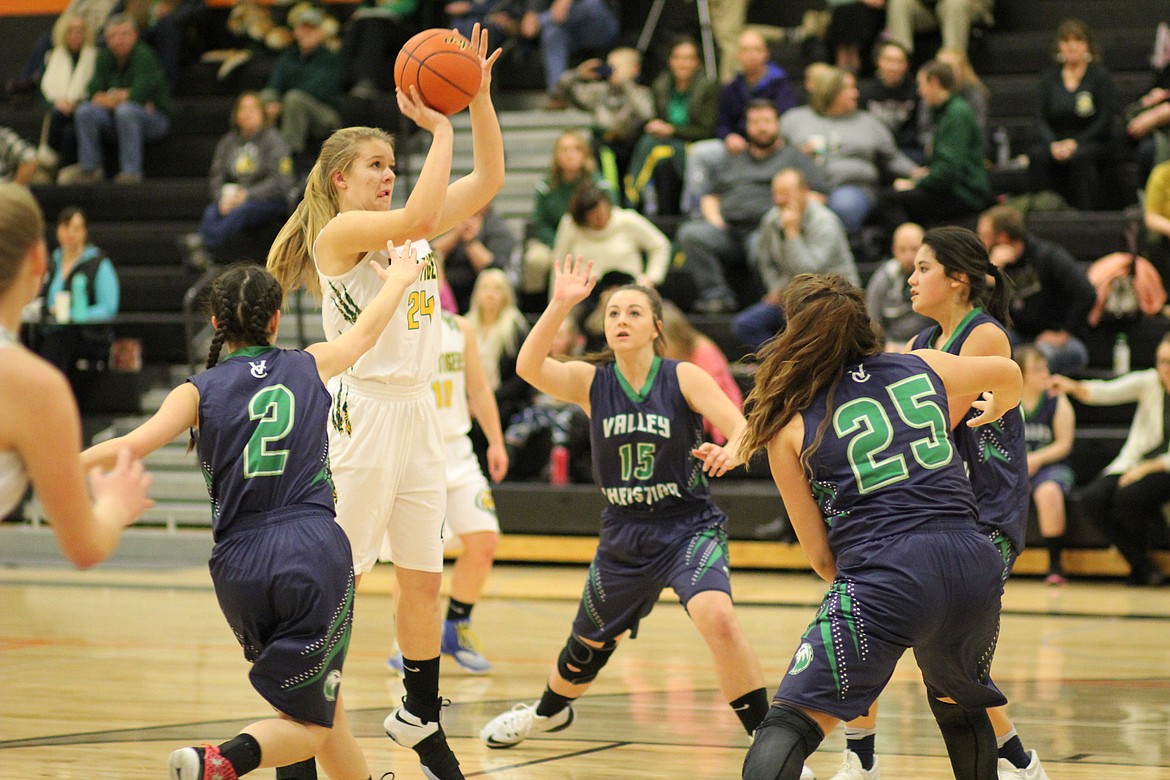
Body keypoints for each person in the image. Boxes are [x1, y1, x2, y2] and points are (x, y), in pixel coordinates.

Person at [265, 25, 503, 780]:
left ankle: (419, 716)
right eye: (375, 165)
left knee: (424, 577)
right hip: (360, 415)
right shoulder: (344, 235)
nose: (387, 176)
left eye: (391, 166)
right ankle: (299, 717)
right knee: (344, 577)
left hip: (419, 417)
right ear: (339, 178)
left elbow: (489, 181)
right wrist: (439, 127)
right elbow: (411, 218)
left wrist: (480, 104)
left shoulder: (414, 232)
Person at [82, 253, 423, 779]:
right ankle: (221, 761)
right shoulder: (308, 363)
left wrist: (52, 467)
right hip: (310, 551)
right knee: (311, 723)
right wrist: (399, 279)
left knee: (319, 709)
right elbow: (364, 335)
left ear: (215, 322)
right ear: (276, 317)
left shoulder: (196, 391)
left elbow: (130, 443)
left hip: (239, 564)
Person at [479, 256, 772, 758]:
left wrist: (732, 450)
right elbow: (528, 367)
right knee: (584, 650)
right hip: (624, 535)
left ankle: (770, 743)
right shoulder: (593, 383)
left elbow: (745, 427)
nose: (621, 321)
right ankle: (547, 712)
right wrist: (560, 302)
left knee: (717, 618)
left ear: (657, 327)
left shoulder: (683, 378)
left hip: (687, 526)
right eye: (613, 312)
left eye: (634, 312)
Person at [736, 272, 1022, 780]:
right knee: (958, 703)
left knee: (785, 726)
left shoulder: (791, 427)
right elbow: (1008, 372)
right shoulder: (923, 364)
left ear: (795, 338)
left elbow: (825, 561)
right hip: (975, 563)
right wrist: (1001, 404)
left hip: (888, 571)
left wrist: (886, 603)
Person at [832, 227, 1045, 780]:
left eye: (923, 268)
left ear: (959, 279)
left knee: (944, 653)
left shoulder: (984, 338)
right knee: (899, 633)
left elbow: (921, 425)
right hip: (935, 512)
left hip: (985, 516)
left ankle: (1015, 762)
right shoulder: (922, 342)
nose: (910, 277)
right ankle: (866, 756)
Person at [0, 182, 151, 568]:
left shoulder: (97, 264)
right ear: (38, 259)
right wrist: (116, 504)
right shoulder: (34, 387)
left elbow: (107, 307)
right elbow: (85, 546)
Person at [388, 308, 509, 674]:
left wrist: (496, 442)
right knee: (415, 558)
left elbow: (479, 387)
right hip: (414, 451)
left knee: (485, 539)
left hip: (458, 449)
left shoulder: (461, 327)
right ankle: (403, 639)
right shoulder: (392, 322)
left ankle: (456, 625)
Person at [675, 100, 827, 314]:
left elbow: (818, 195)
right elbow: (710, 196)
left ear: (777, 124)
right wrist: (716, 220)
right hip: (729, 231)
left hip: (768, 229)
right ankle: (717, 297)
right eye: (755, 122)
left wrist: (785, 215)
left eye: (766, 121)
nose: (761, 127)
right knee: (691, 234)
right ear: (746, 126)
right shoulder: (734, 159)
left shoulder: (794, 157)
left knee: (760, 245)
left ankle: (767, 303)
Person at [1051, 335, 1170, 588]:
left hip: (1163, 467)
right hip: (1135, 462)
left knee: (1129, 496)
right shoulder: (1151, 381)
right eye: (1161, 361)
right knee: (1092, 498)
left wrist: (1146, 469)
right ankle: (1141, 564)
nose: (1165, 369)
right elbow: (1107, 391)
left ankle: (1146, 562)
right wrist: (1072, 387)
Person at [732, 168, 858, 351]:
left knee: (808, 329)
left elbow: (809, 271)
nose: (780, 200)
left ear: (804, 192)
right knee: (746, 324)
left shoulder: (825, 222)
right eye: (776, 194)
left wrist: (792, 234)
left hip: (830, 297)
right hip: (790, 297)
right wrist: (775, 287)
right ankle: (782, 365)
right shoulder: (771, 220)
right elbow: (766, 261)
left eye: (786, 194)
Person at [779, 65, 917, 232]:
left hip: (853, 188)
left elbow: (893, 157)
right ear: (830, 91)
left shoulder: (869, 123)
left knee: (844, 204)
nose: (856, 93)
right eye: (849, 88)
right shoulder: (794, 120)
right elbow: (776, 154)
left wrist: (916, 172)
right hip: (804, 188)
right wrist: (798, 155)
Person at [682, 29, 799, 214]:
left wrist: (771, 138)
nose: (751, 55)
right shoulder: (732, 88)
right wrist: (728, 136)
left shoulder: (780, 84)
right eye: (745, 50)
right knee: (699, 153)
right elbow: (720, 123)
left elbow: (788, 120)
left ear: (765, 54)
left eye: (756, 50)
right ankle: (695, 213)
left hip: (771, 147)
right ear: (738, 55)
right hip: (739, 147)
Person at [977, 204, 1095, 376]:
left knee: (1037, 359)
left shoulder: (1047, 256)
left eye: (984, 236)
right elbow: (982, 316)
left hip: (1053, 338)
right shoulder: (993, 265)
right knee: (983, 348)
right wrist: (990, 279)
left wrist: (1064, 333)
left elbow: (1086, 292)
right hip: (1018, 335)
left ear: (1002, 238)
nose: (980, 242)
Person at [62, 13, 172, 185]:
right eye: (113, 36)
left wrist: (110, 98)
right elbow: (92, 93)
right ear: (106, 39)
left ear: (134, 35)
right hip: (116, 119)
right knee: (84, 111)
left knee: (126, 111)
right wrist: (119, 96)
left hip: (155, 119)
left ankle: (131, 173)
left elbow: (138, 94)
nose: (118, 40)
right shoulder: (104, 57)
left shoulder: (145, 56)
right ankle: (90, 170)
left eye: (123, 35)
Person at [881, 59, 989, 230]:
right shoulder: (947, 112)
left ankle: (909, 248)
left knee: (889, 199)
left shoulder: (956, 114)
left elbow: (948, 170)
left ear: (935, 82)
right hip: (956, 188)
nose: (920, 92)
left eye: (921, 85)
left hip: (964, 193)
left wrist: (918, 183)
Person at [189, 91, 294, 263]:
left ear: (262, 113)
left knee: (243, 211)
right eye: (243, 109)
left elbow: (282, 181)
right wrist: (222, 198)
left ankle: (205, 248)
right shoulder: (228, 142)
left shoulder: (274, 140)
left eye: (253, 109)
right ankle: (206, 250)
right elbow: (216, 176)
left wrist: (247, 195)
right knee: (212, 211)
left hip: (266, 200)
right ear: (236, 115)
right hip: (233, 198)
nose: (247, 114)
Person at [1027, 18, 1119, 211]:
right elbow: (1039, 118)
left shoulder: (1100, 78)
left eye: (1077, 40)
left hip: (1092, 140)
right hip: (1057, 140)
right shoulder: (1048, 79)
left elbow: (1105, 119)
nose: (1072, 46)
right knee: (1037, 155)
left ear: (1088, 46)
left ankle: (1084, 215)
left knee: (1081, 157)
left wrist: (1076, 143)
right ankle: (1042, 211)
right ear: (1059, 46)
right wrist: (1052, 143)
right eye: (1066, 41)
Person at [625, 36, 718, 216]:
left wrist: (672, 130)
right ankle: (635, 201)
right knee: (648, 143)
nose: (683, 63)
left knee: (651, 147)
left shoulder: (708, 87)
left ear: (697, 62)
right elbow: (652, 116)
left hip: (692, 143)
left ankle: (631, 201)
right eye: (678, 58)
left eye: (689, 58)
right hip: (664, 141)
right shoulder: (661, 85)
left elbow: (707, 130)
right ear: (670, 61)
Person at [520, 128, 612, 305]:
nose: (569, 155)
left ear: (585, 154)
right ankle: (535, 308)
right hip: (553, 240)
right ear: (556, 155)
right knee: (535, 259)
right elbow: (541, 223)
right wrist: (557, 244)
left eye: (575, 149)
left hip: (587, 238)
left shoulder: (597, 183)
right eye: (564, 150)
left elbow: (608, 213)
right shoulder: (546, 186)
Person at [554, 47, 655, 199]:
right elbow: (562, 90)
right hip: (605, 148)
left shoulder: (640, 92)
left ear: (634, 69)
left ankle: (633, 201)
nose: (611, 71)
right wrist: (577, 74)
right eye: (609, 66)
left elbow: (647, 114)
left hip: (633, 148)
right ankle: (609, 198)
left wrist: (626, 84)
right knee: (599, 148)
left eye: (617, 67)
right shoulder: (600, 92)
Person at [35, 206, 121, 375]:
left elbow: (108, 309)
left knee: (58, 342)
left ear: (84, 232)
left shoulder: (98, 263)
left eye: (76, 228)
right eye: (66, 227)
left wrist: (73, 314)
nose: (70, 234)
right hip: (49, 329)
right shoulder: (51, 261)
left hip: (87, 335)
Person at [1016, 345, 1076, 585]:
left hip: (1051, 467)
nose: (1044, 374)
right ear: (1020, 373)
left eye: (1045, 368)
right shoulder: (1005, 398)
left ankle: (1055, 564)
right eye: (1037, 369)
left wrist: (1037, 459)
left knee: (1049, 493)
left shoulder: (1056, 399)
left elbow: (1064, 443)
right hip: (1015, 467)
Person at [260, 6, 343, 167]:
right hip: (292, 109)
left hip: (324, 114)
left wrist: (281, 104)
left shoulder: (330, 59)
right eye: (303, 28)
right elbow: (274, 85)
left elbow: (319, 90)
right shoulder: (287, 57)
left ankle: (287, 161)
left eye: (312, 28)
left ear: (320, 32)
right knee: (265, 97)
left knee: (294, 99)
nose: (307, 32)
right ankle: (260, 153)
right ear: (296, 31)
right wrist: (273, 101)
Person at [550, 182, 672, 291]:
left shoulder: (626, 219)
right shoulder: (570, 225)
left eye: (603, 210)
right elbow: (559, 265)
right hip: (586, 295)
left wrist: (651, 278)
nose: (600, 217)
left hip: (629, 289)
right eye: (594, 215)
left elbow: (660, 245)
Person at [660, 300, 742, 445]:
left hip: (716, 429)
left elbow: (712, 404)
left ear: (675, 335)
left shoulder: (703, 351)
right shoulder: (662, 356)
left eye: (660, 341)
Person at [466, 267, 533, 431]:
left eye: (497, 290)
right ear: (477, 293)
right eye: (485, 288)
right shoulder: (466, 325)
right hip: (470, 402)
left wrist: (488, 401)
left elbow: (520, 376)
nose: (490, 294)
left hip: (506, 403)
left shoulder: (516, 326)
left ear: (506, 295)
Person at [520, 0, 620, 106]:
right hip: (570, 32)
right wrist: (532, 12)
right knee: (552, 33)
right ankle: (558, 93)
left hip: (600, 25)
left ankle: (543, 20)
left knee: (591, 5)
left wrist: (539, 20)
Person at [38, 12, 98, 175]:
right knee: (59, 116)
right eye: (70, 31)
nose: (75, 35)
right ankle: (56, 168)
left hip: (85, 108)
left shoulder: (96, 58)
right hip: (60, 110)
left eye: (79, 31)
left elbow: (97, 87)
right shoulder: (53, 57)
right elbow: (42, 93)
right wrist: (56, 103)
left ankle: (49, 163)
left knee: (70, 126)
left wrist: (75, 103)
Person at [430, 202, 517, 313]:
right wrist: (455, 233)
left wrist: (471, 241)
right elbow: (432, 253)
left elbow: (494, 267)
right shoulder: (447, 221)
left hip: (477, 285)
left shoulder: (498, 228)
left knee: (490, 285)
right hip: (446, 285)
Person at [865, 221, 930, 350]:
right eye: (902, 249)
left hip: (929, 344)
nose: (909, 256)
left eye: (914, 249)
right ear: (894, 250)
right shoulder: (884, 277)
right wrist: (884, 344)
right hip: (892, 345)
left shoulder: (935, 276)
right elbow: (872, 319)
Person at [341, 0, 420, 100]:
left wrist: (376, 12)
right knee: (356, 26)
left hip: (403, 28)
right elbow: (363, 7)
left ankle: (367, 80)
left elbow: (408, 7)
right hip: (375, 23)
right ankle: (346, 80)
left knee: (375, 26)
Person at [860, 40, 921, 163]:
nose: (894, 67)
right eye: (888, 60)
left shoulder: (918, 92)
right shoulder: (864, 91)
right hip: (873, 148)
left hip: (906, 149)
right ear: (878, 62)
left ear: (906, 65)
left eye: (899, 61)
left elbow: (920, 128)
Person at [919, 47, 989, 151]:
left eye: (949, 68)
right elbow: (924, 129)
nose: (944, 72)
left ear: (962, 69)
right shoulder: (929, 94)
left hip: (966, 148)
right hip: (937, 148)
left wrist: (949, 143)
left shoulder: (974, 95)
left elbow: (978, 129)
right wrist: (931, 143)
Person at [884, 0, 994, 58]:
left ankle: (951, 66)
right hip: (929, 7)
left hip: (966, 5)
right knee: (899, 2)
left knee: (954, 4)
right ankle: (897, 61)